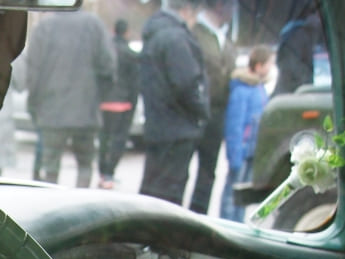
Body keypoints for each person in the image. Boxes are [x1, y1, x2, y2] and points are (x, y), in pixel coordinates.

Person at [24, 8, 115, 187]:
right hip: (86, 110)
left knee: (50, 168)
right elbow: (108, 66)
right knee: (85, 165)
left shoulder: (44, 27)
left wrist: (33, 102)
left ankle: (51, 203)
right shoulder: (94, 25)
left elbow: (33, 71)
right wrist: (97, 96)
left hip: (51, 110)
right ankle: (82, 203)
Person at [138, 0, 209, 205]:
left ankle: (143, 235)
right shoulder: (176, 38)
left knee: (152, 191)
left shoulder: (156, 33)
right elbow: (186, 83)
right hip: (177, 127)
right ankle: (159, 237)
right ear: (186, 10)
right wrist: (202, 111)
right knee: (168, 196)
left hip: (159, 124)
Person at [188, 0, 236, 214]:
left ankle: (197, 219)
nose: (233, 10)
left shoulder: (225, 36)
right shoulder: (194, 34)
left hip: (216, 112)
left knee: (208, 172)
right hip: (193, 111)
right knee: (180, 172)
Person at [220, 44, 273, 220]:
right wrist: (234, 154)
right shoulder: (242, 91)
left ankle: (238, 223)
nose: (270, 68)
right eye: (268, 64)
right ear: (258, 66)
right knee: (232, 193)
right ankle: (227, 223)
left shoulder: (259, 88)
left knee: (243, 193)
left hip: (252, 150)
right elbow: (234, 125)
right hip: (241, 151)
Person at [98, 20, 140, 189]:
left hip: (104, 102)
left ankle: (103, 173)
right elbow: (135, 83)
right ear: (127, 32)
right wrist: (133, 103)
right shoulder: (130, 54)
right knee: (118, 140)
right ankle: (110, 173)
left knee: (104, 138)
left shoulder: (105, 51)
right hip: (122, 103)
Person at [273, 2, 324, 95]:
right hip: (292, 95)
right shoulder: (298, 35)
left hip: (293, 93)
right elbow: (292, 69)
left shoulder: (302, 34)